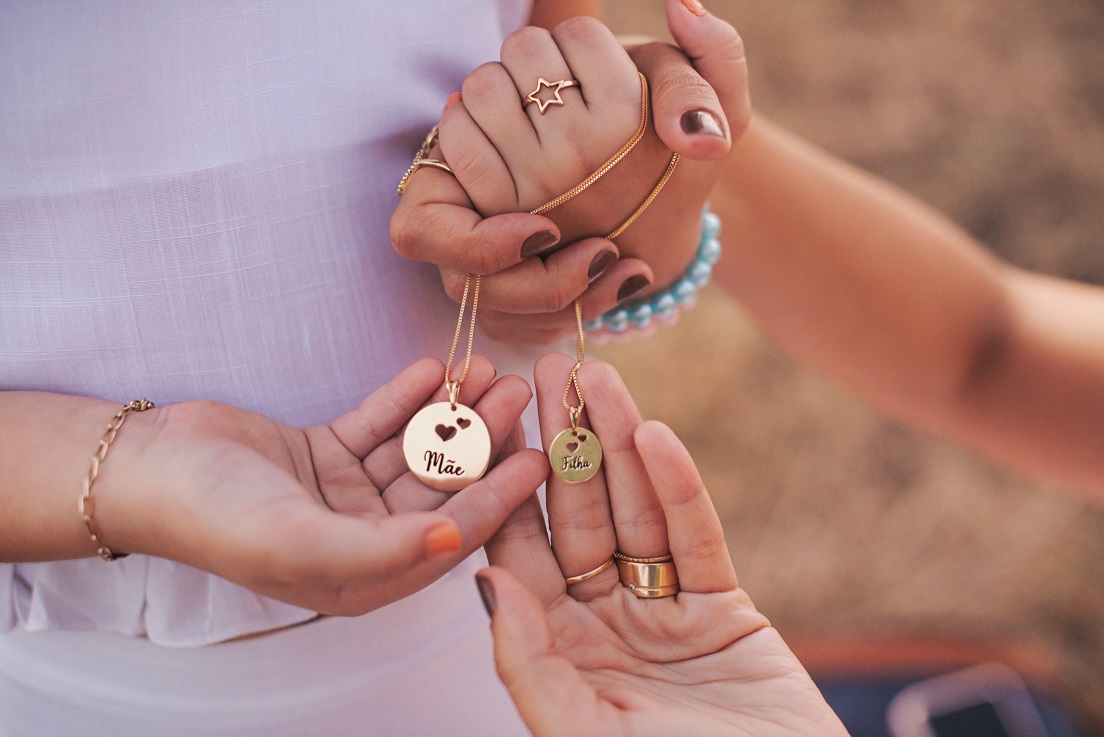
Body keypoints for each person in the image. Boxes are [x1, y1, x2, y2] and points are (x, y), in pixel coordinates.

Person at [0, 1, 737, 734]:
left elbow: (549, 74)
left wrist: (634, 172)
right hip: (59, 680)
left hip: (511, 612)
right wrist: (129, 470)